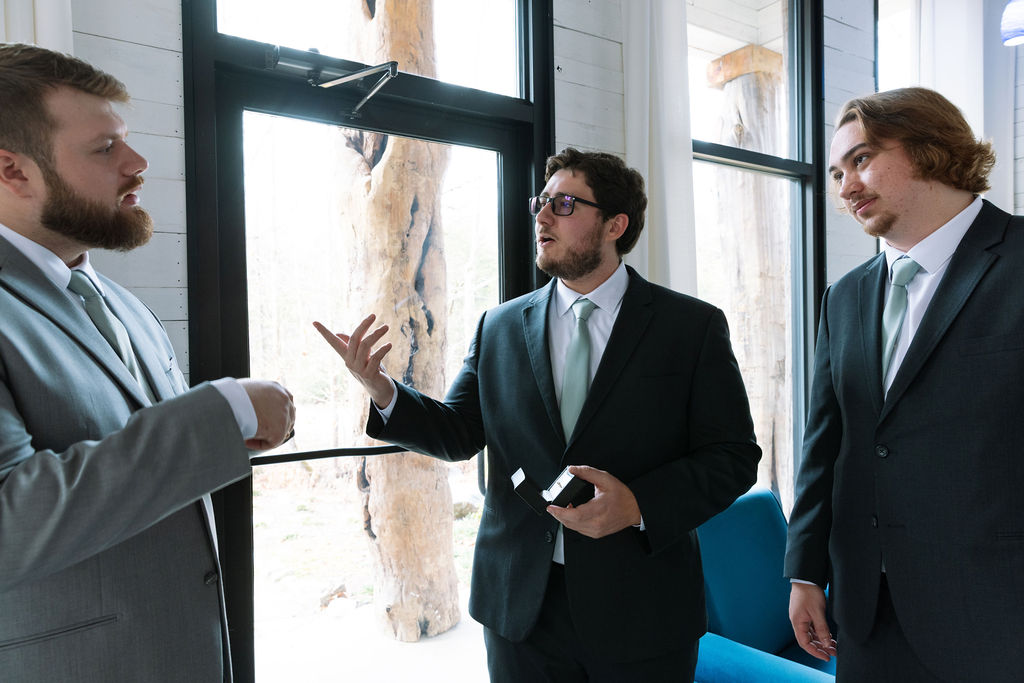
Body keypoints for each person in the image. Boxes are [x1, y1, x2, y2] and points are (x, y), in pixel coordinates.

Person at [315, 147, 760, 682]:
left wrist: (639, 504)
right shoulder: (498, 326)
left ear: (615, 224)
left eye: (565, 204)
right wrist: (382, 388)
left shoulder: (690, 328)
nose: (543, 217)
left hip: (642, 608)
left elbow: (733, 456)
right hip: (519, 609)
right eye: (541, 203)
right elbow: (457, 431)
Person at [0, 43, 295, 681]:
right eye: (104, 149)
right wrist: (224, 410)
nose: (138, 164)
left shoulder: (124, 305)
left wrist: (234, 428)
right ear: (12, 171)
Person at [785, 86, 1024, 681]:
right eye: (838, 172)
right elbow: (825, 446)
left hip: (1002, 613)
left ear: (931, 147)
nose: (844, 188)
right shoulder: (844, 297)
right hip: (867, 614)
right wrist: (804, 571)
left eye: (861, 159)